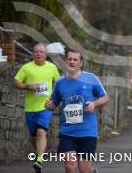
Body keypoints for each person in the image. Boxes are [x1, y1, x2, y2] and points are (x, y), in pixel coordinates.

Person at [45, 49, 109, 173]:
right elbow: (54, 104)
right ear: (65, 61)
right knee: (70, 165)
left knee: (84, 169)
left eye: (75, 59)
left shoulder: (91, 79)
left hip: (87, 131)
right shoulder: (60, 82)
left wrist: (94, 104)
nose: (72, 62)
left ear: (81, 62)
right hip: (67, 132)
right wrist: (49, 105)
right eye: (69, 59)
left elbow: (105, 97)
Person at [14, 43, 60, 173]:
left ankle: (39, 160)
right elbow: (16, 82)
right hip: (30, 108)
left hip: (46, 106)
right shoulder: (26, 68)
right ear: (33, 54)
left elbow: (58, 83)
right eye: (36, 52)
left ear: (46, 55)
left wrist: (55, 98)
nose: (38, 53)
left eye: (41, 52)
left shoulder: (52, 68)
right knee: (34, 136)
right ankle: (37, 152)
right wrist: (28, 86)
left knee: (41, 132)